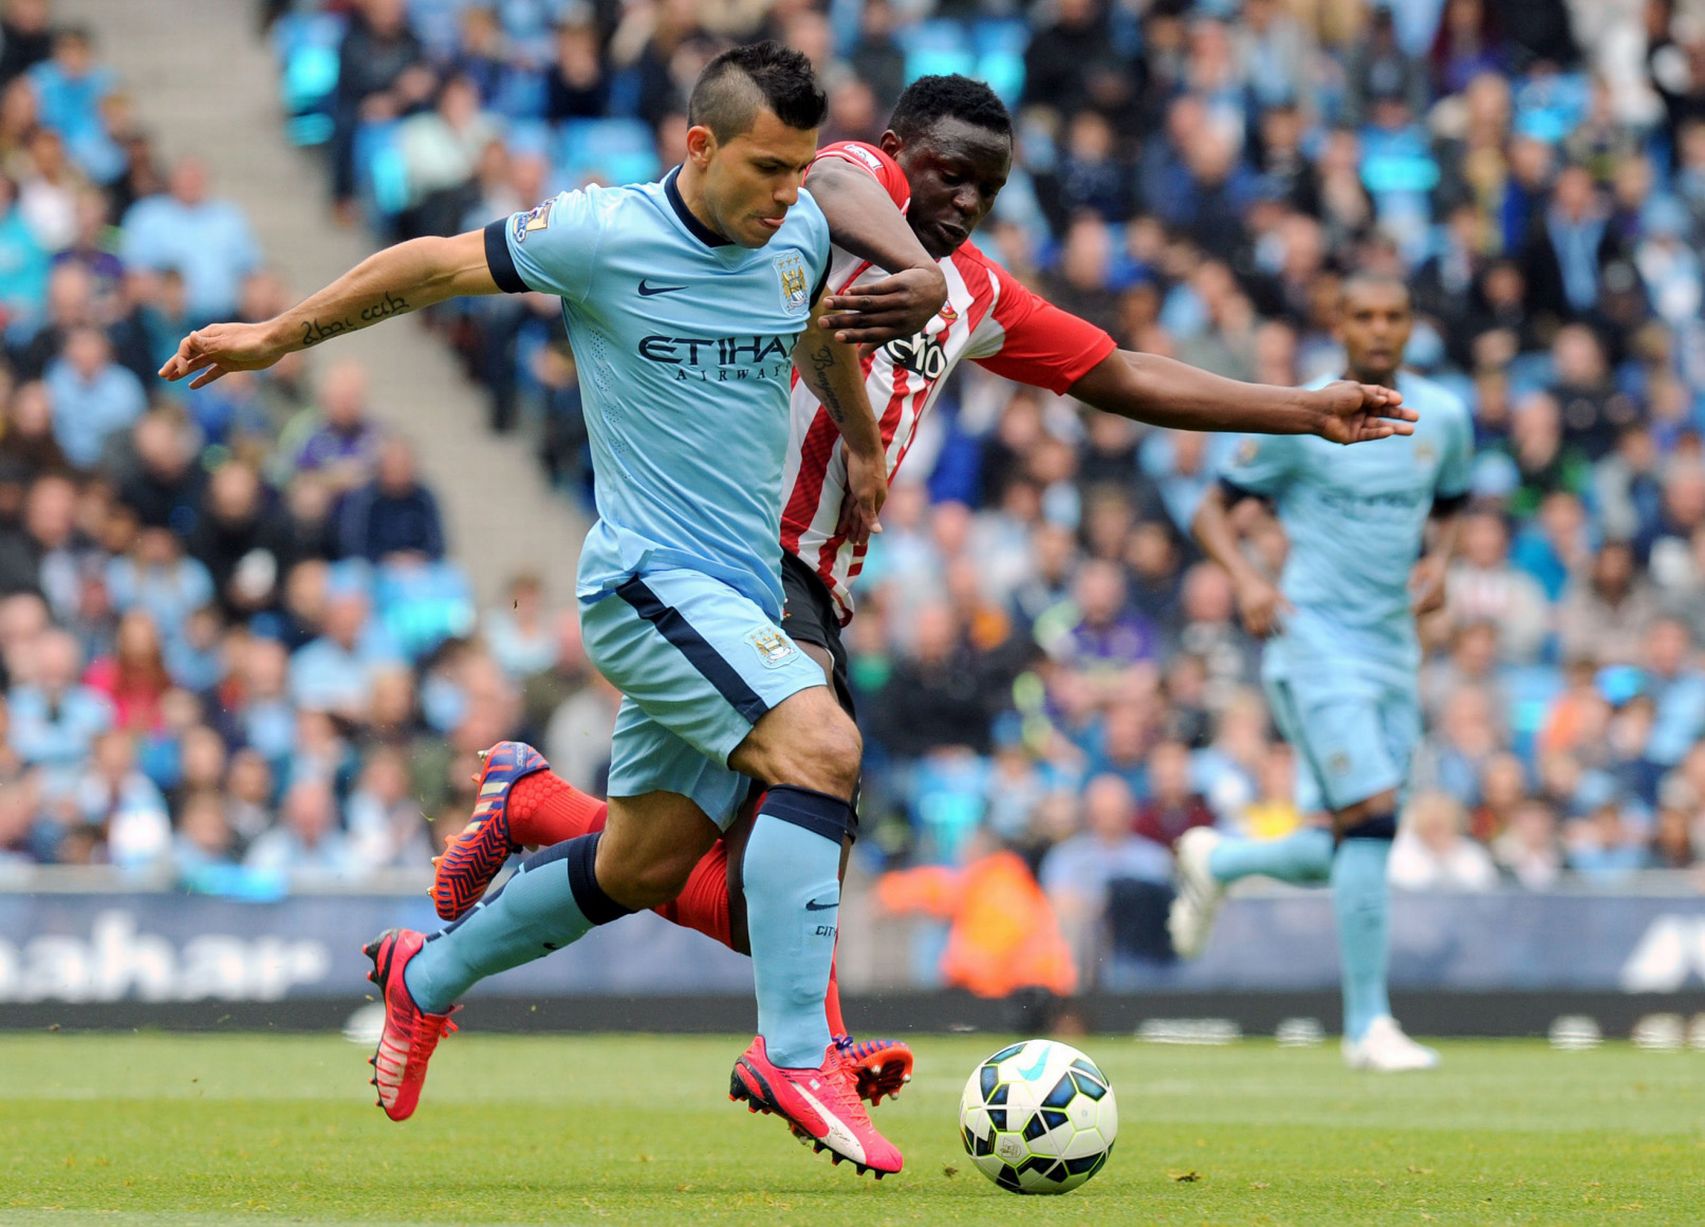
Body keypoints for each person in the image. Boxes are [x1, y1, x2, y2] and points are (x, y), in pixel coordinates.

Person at [424, 72, 1416, 1082]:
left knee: (722, 884)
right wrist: (910, 271)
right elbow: (839, 179)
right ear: (898, 153)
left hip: (810, 581)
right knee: (810, 789)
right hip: (744, 558)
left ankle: (518, 838)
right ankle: (806, 1054)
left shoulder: (974, 290)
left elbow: (1115, 372)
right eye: (947, 174)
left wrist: (1299, 409)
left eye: (987, 189)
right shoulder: (822, 205)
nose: (964, 201)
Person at [161, 43, 914, 1177]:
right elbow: (430, 267)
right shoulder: (602, 233)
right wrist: (275, 336)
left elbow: (812, 329)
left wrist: (857, 439)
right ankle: (799, 1055)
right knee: (823, 746)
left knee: (640, 869)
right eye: (766, 167)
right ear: (698, 146)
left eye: (801, 169)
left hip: (739, 598)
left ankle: (424, 975)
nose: (786, 193)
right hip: (647, 586)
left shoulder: (799, 233)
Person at [1170, 273, 1474, 1073]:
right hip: (1315, 640)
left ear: (1410, 326)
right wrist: (1246, 579)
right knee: (1369, 815)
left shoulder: (1443, 417)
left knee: (1350, 839)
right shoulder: (1301, 415)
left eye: (1392, 315)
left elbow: (1450, 504)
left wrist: (1439, 564)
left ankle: (1219, 861)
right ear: (1339, 324)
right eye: (1362, 314)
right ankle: (1367, 1026)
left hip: (1393, 646)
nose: (1378, 328)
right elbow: (1208, 510)